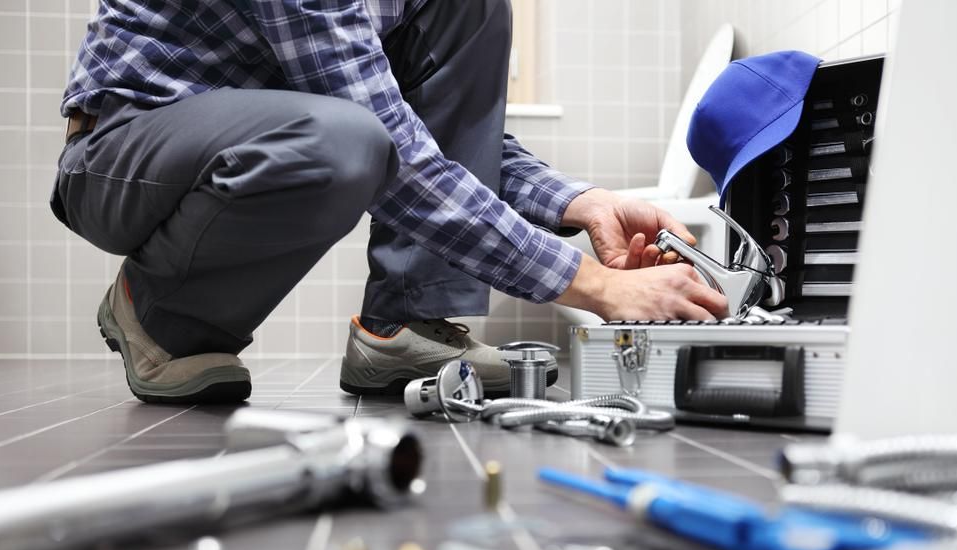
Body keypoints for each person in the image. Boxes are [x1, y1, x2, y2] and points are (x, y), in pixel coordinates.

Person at [51, 0, 727, 404]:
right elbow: (388, 152)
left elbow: (420, 133)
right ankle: (161, 314)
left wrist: (582, 203)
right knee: (342, 143)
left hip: (248, 133)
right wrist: (595, 284)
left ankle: (405, 324)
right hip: (121, 152)